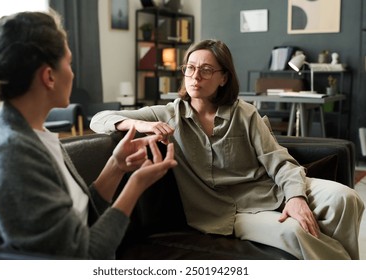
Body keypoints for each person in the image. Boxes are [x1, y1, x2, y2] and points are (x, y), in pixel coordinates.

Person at [90, 39, 365, 260]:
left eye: (206, 69)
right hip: (228, 212)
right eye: (190, 68)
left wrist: (295, 197)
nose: (196, 76)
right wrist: (138, 123)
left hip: (270, 189)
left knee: (346, 198)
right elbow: (98, 120)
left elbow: (279, 161)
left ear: (223, 78)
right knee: (296, 231)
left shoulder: (244, 113)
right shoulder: (167, 114)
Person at [0, 11, 177, 259]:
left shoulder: (35, 134)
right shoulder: (8, 153)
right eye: (69, 63)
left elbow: (80, 218)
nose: (73, 73)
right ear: (49, 76)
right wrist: (136, 185)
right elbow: (82, 256)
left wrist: (116, 166)